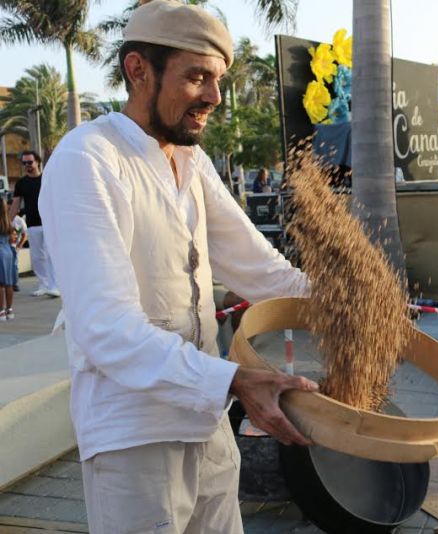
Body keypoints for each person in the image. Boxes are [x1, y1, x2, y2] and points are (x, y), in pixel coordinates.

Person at [39, 2, 317, 531]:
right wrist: (235, 381)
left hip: (208, 427)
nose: (214, 96)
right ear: (138, 70)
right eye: (196, 77)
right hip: (134, 443)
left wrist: (344, 304)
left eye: (216, 80)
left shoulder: (193, 161)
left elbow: (261, 270)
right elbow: (106, 328)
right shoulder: (89, 160)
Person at [11, 150, 59, 297]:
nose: (27, 165)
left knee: (51, 254)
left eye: (30, 162)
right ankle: (43, 285)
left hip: (50, 222)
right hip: (32, 224)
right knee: (37, 257)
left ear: (37, 162)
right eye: (24, 163)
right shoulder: (21, 183)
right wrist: (7, 222)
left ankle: (55, 286)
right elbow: (15, 205)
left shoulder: (48, 179)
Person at [0, 198, 16, 320]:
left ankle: (1, 311)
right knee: (9, 283)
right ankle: (9, 310)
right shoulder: (8, 221)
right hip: (8, 252)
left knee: (0, 284)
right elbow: (12, 239)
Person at [10, 213, 27, 292]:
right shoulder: (4, 218)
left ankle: (14, 284)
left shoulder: (19, 220)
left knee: (14, 265)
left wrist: (19, 246)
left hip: (13, 246)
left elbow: (25, 234)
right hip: (3, 245)